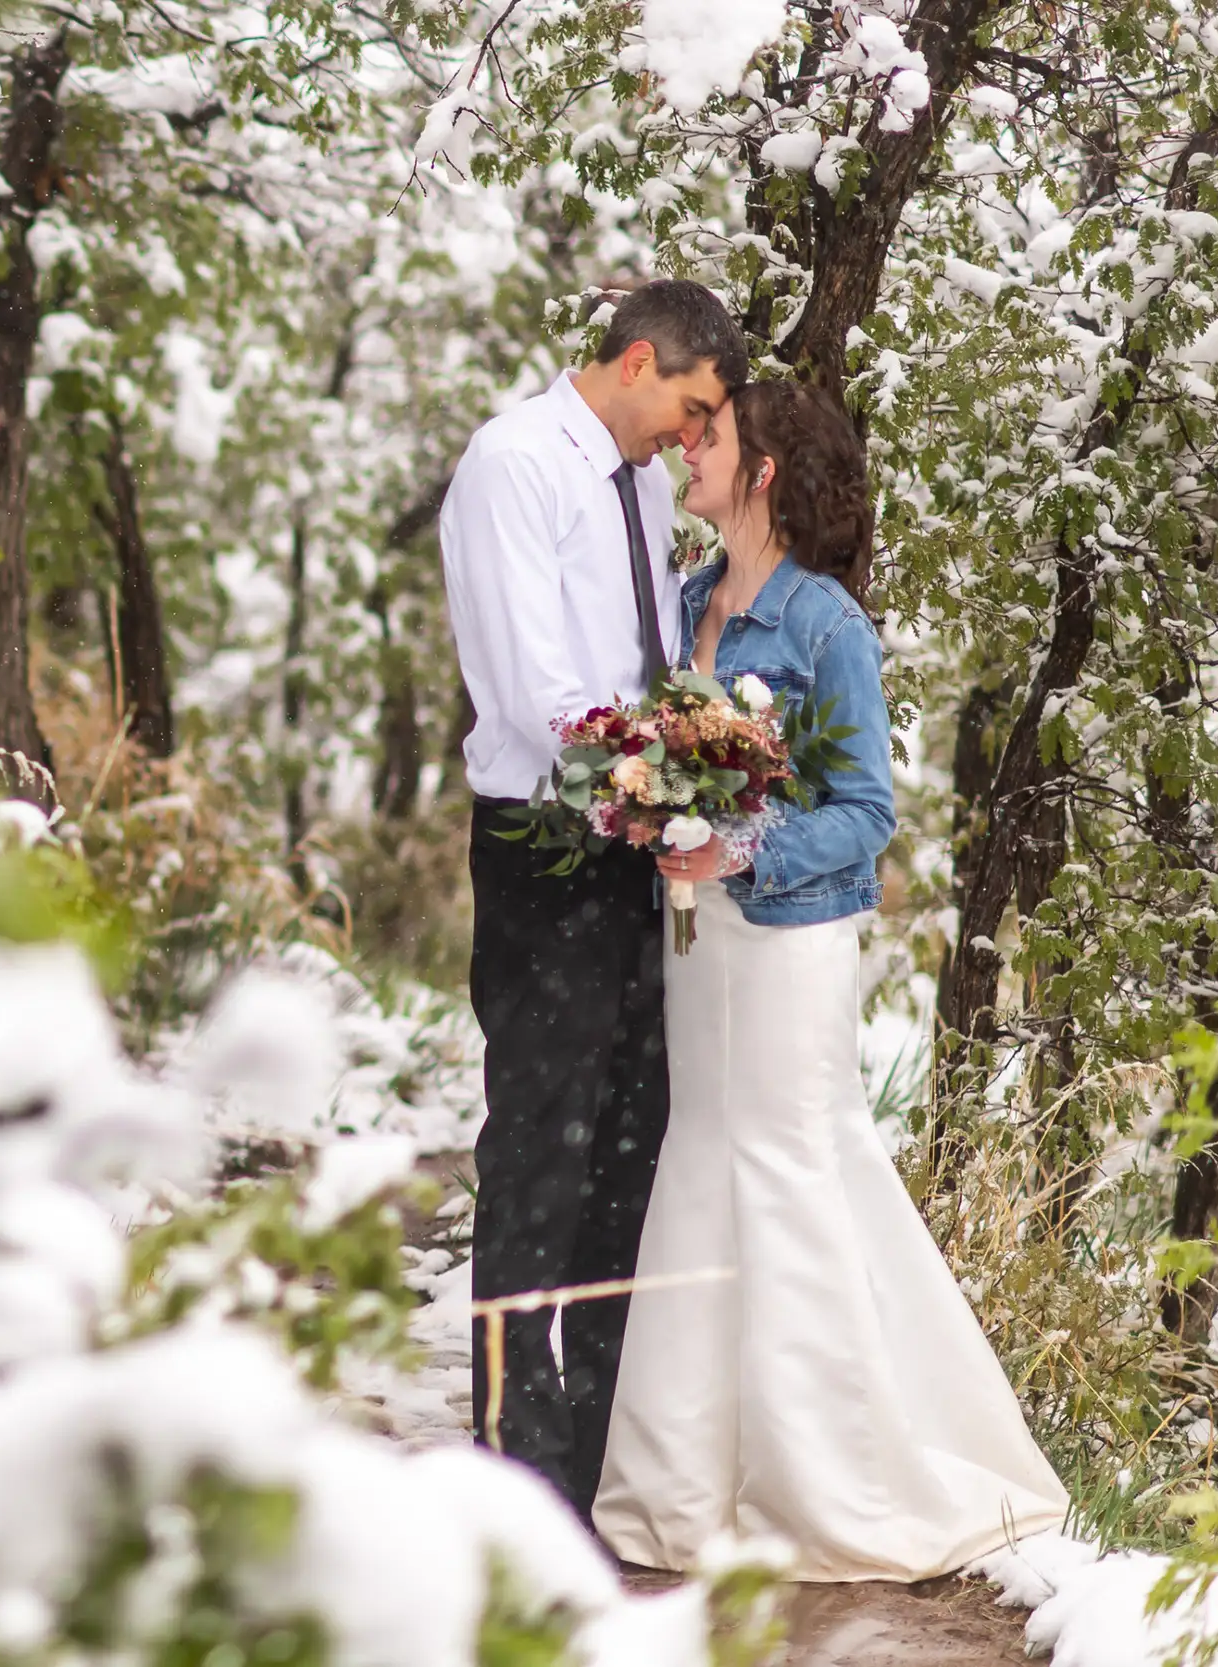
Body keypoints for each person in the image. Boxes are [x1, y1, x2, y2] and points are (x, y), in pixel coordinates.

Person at [592, 381, 1070, 1578]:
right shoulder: (690, 600)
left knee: (793, 1171)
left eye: (710, 437)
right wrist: (644, 803)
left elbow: (864, 816)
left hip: (792, 944)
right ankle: (682, 1493)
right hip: (696, 944)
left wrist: (738, 843)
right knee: (701, 1165)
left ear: (760, 473)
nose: (687, 448)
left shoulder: (827, 628)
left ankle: (841, 1484)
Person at [437, 279, 748, 1516]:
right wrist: (663, 767)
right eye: (691, 401)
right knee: (538, 1141)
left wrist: (694, 768)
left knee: (628, 1138)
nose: (692, 430)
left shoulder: (641, 484)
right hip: (542, 842)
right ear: (636, 362)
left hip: (631, 837)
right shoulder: (512, 463)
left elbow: (641, 662)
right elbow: (531, 692)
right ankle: (512, 1445)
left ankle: (599, 1428)